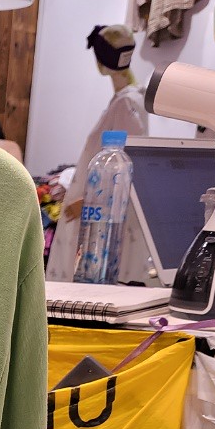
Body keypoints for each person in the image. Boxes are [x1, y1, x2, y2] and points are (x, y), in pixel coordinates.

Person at [46, 24, 147, 280]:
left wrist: (87, 203)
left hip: (98, 218)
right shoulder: (125, 101)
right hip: (92, 212)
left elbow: (125, 165)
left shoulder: (126, 104)